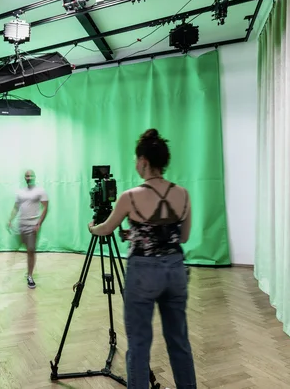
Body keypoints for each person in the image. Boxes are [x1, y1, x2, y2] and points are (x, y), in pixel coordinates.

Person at [86, 129, 196, 389]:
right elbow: (182, 237)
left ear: (144, 161)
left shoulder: (130, 196)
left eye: (137, 160)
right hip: (175, 271)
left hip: (143, 273)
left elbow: (106, 228)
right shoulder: (182, 194)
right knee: (179, 342)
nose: (136, 164)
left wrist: (92, 228)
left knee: (139, 344)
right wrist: (138, 234)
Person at [7, 169, 48, 289]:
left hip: (32, 226)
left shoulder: (40, 191)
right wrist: (10, 220)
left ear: (34, 177)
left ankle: (30, 276)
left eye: (30, 175)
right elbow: (16, 207)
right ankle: (14, 272)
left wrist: (39, 223)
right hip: (21, 225)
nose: (29, 177)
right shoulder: (20, 192)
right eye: (27, 176)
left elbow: (45, 207)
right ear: (25, 178)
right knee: (21, 249)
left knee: (30, 250)